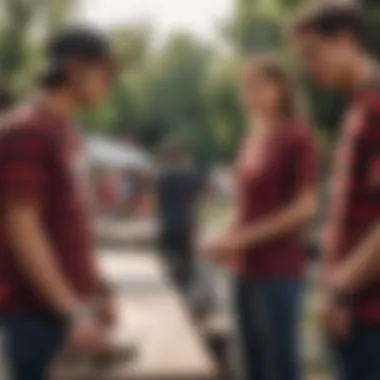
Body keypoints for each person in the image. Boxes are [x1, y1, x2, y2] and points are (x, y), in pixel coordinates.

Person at [0, 27, 117, 380]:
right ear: (75, 69)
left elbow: (72, 221)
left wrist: (99, 287)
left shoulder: (66, 132)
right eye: (106, 72)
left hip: (67, 312)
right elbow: (23, 230)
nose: (111, 83)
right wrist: (74, 312)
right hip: (35, 316)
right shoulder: (26, 131)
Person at [202, 55, 317, 380]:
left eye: (258, 86)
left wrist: (240, 239)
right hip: (243, 267)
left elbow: (305, 207)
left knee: (278, 365)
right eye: (245, 88)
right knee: (250, 363)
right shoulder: (252, 138)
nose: (249, 95)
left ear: (282, 89)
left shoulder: (297, 136)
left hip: (279, 269)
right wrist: (224, 239)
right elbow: (246, 203)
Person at [291, 2, 380, 379]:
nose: (310, 68)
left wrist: (340, 289)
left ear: (346, 40)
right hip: (352, 312)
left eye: (314, 54)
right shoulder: (358, 106)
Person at [156, 137, 203, 296]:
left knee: (170, 257)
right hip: (187, 222)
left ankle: (179, 285)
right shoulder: (190, 174)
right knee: (187, 261)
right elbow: (198, 198)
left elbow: (160, 202)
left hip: (168, 223)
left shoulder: (163, 175)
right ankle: (187, 289)